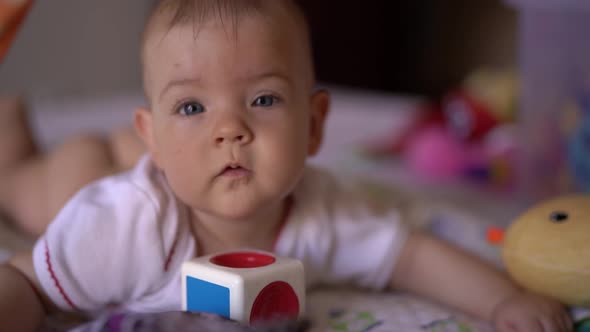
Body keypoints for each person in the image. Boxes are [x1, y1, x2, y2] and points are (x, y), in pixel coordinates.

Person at [0, 1, 572, 331]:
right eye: (192, 106)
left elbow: (413, 256)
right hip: (93, 179)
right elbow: (26, 280)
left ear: (315, 125)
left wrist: (503, 300)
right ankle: (14, 146)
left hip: (163, 163)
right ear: (151, 134)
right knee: (38, 194)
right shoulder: (125, 228)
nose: (230, 129)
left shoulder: (322, 214)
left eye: (264, 99)